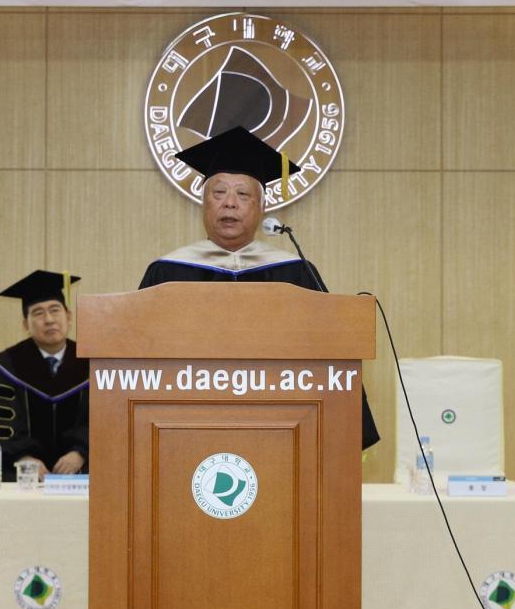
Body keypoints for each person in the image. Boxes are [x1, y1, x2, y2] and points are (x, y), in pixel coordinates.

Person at [138, 126, 380, 449]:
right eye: (219, 193)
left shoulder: (295, 274)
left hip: (282, 433)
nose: (230, 204)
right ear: (203, 203)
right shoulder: (166, 273)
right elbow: (133, 362)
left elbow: (332, 358)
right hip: (183, 433)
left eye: (243, 195)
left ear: (262, 207)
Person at [0, 270, 91, 481]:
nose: (49, 319)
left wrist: (81, 452)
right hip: (18, 468)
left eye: (55, 310)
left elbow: (109, 422)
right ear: (26, 324)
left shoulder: (94, 365)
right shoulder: (2, 369)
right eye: (38, 313)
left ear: (69, 317)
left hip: (82, 465)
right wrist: (22, 457)